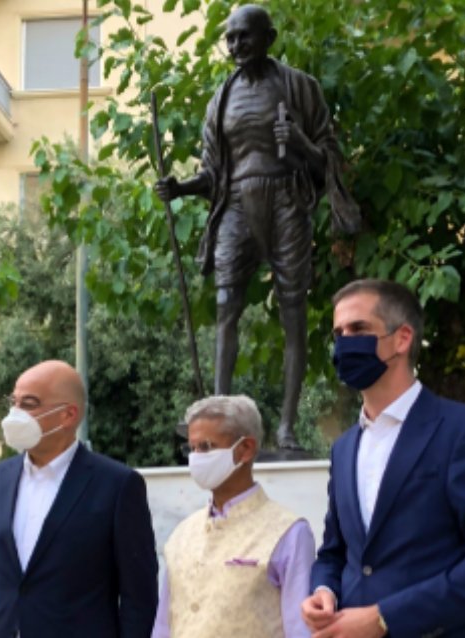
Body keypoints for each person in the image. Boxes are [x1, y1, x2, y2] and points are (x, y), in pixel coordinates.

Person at [154, 4, 360, 450]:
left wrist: (301, 143)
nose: (235, 46)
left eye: (244, 37)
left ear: (269, 37)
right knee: (227, 303)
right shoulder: (220, 101)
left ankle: (286, 427)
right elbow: (213, 172)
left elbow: (330, 162)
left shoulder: (301, 88)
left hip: (287, 199)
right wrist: (181, 188)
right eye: (229, 39)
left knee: (293, 312)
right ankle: (217, 423)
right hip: (237, 205)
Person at [301, 279, 465, 637]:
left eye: (358, 328)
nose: (345, 342)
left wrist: (385, 618)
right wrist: (323, 591)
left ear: (402, 338)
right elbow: (335, 552)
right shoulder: (344, 448)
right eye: (339, 333)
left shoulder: (464, 431)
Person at [0, 360, 158, 638]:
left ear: (68, 415)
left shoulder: (117, 486)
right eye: (13, 402)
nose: (15, 413)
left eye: (29, 403)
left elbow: (139, 598)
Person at [151, 394, 315, 637]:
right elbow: (164, 625)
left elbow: (300, 629)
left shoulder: (288, 532)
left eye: (206, 447)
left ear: (245, 449)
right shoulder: (182, 534)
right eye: (191, 448)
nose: (195, 458)